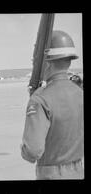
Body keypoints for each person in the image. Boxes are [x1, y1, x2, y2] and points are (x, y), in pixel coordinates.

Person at [21, 30, 84, 179]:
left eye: (36, 61)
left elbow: (33, 151)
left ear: (47, 64)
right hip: (79, 171)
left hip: (52, 175)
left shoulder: (40, 99)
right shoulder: (79, 93)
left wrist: (23, 149)